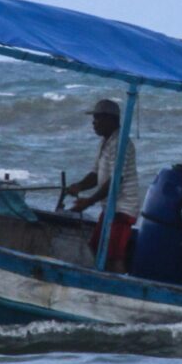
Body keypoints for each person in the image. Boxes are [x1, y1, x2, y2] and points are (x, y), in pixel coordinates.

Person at [65, 98, 139, 270]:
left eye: (97, 118)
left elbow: (116, 180)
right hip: (110, 208)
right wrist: (79, 186)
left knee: (113, 256)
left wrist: (88, 202)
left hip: (122, 209)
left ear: (111, 119)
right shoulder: (105, 142)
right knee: (96, 248)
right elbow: (96, 174)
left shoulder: (121, 143)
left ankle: (116, 288)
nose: (94, 123)